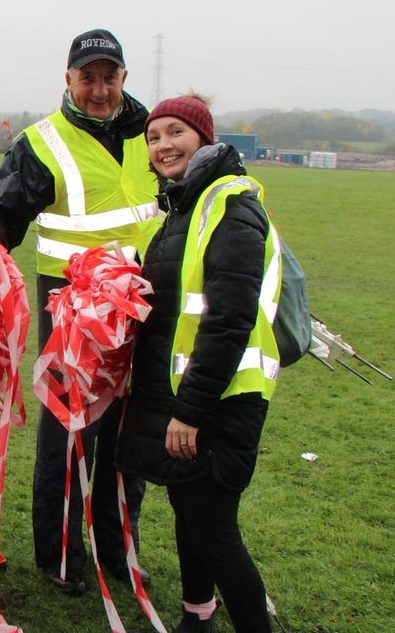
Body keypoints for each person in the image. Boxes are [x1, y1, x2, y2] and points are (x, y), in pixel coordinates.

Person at [0, 28, 159, 595]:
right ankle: (59, 555)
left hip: (145, 309)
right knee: (70, 433)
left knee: (131, 436)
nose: (99, 90)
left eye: (110, 77)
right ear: (68, 79)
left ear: (125, 78)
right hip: (72, 315)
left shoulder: (153, 134)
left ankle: (116, 547)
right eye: (88, 78)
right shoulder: (42, 142)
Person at [118, 95, 278, 633]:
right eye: (154, 137)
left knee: (213, 530)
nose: (163, 145)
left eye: (175, 132)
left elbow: (228, 320)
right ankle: (197, 618)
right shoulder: (183, 208)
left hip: (220, 401)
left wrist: (190, 410)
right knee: (189, 516)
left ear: (204, 138)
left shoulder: (230, 205)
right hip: (191, 396)